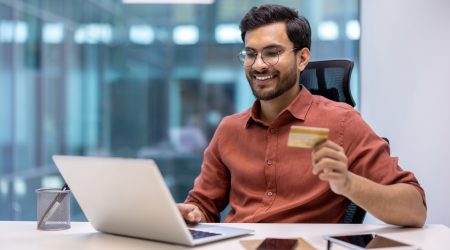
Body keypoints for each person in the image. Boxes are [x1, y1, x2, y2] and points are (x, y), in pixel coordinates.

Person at [177, 4, 426, 227]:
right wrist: (188, 213)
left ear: (302, 58)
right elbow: (202, 206)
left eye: (272, 53)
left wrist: (349, 183)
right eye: (251, 54)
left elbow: (415, 210)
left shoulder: (342, 122)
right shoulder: (229, 130)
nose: (259, 65)